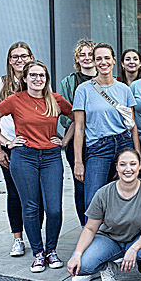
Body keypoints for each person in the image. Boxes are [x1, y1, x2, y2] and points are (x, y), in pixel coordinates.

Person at [0, 60, 73, 272]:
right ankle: (38, 253)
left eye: (41, 75)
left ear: (46, 79)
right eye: (33, 75)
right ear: (24, 78)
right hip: (23, 157)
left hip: (51, 157)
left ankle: (52, 250)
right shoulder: (15, 99)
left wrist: (65, 140)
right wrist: (6, 142)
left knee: (54, 209)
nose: (37, 79)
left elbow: (78, 118)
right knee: (30, 207)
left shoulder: (56, 99)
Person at [66, 148, 141, 281]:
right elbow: (90, 228)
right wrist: (77, 254)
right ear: (117, 167)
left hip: (140, 239)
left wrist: (134, 249)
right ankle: (107, 268)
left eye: (133, 164)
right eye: (123, 164)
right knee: (82, 265)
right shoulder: (104, 193)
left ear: (139, 166)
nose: (128, 169)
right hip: (110, 238)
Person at [73, 43, 141, 212]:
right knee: (93, 199)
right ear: (95, 62)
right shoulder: (84, 90)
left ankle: (122, 235)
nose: (103, 62)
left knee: (125, 196)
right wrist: (78, 161)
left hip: (123, 144)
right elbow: (79, 128)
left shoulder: (124, 89)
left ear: (114, 60)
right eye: (99, 59)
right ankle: (94, 236)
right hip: (98, 148)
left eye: (106, 58)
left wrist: (137, 155)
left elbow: (132, 126)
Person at [0, 41, 33, 256]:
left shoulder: (37, 80)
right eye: (15, 57)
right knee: (14, 193)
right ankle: (18, 238)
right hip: (11, 147)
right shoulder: (1, 83)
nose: (20, 60)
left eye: (24, 56)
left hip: (35, 145)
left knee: (36, 194)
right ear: (9, 60)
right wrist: (0, 148)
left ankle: (36, 235)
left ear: (31, 58)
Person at [58, 39, 96, 226]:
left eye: (90, 54)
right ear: (77, 59)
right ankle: (84, 226)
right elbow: (65, 116)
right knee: (80, 184)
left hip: (101, 140)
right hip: (76, 140)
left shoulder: (108, 78)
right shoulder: (69, 82)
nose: (87, 58)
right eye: (83, 54)